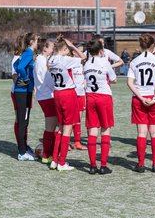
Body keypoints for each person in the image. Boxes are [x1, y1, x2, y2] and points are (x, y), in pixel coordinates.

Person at [127, 33, 155, 173]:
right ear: (153, 46)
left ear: (141, 46)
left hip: (139, 98)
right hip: (154, 98)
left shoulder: (134, 61)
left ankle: (141, 164)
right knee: (154, 133)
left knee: (141, 133)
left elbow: (130, 82)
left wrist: (141, 97)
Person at [48, 36, 85, 171]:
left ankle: (54, 160)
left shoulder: (50, 59)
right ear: (64, 49)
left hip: (57, 93)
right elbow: (83, 58)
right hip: (68, 94)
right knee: (67, 129)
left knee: (60, 127)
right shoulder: (65, 59)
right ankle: (62, 162)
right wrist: (73, 47)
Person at [84, 40, 117, 175]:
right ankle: (103, 165)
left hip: (90, 97)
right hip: (104, 97)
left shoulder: (86, 64)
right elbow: (114, 79)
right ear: (101, 50)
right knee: (105, 130)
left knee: (92, 131)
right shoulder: (104, 62)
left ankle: (92, 165)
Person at [13, 33, 39, 161]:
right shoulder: (28, 52)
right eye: (36, 40)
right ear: (32, 42)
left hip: (25, 91)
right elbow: (20, 67)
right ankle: (21, 152)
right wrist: (26, 79)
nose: (37, 43)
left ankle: (24, 147)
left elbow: (15, 65)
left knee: (25, 121)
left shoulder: (27, 53)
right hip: (22, 91)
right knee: (22, 122)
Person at [33, 39, 58, 164]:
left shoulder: (40, 60)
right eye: (52, 47)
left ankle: (49, 153)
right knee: (51, 127)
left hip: (44, 96)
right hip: (47, 96)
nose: (53, 50)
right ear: (45, 48)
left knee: (52, 127)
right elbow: (47, 78)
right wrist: (58, 87)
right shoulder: (42, 61)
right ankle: (47, 154)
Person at [71, 44, 87, 151]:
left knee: (78, 119)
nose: (82, 54)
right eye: (79, 51)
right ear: (73, 52)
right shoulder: (69, 62)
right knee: (68, 120)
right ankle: (66, 141)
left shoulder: (83, 64)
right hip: (71, 94)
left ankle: (77, 142)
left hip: (81, 94)